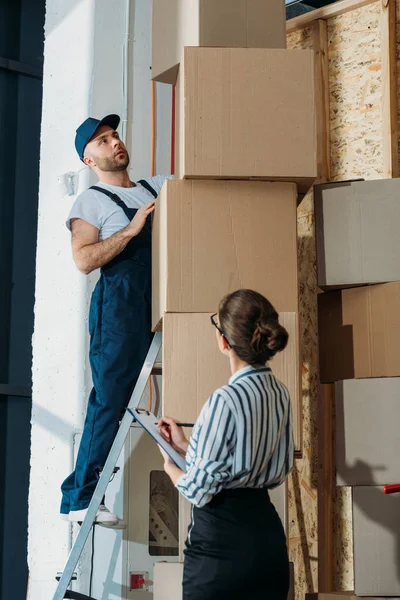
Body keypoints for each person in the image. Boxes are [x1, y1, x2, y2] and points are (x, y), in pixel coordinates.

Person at [60, 113, 170, 526]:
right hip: (118, 307)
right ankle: (80, 497)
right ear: (90, 160)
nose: (114, 143)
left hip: (157, 299)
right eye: (103, 142)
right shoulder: (90, 202)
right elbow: (83, 260)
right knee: (109, 399)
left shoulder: (155, 187)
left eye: (115, 135)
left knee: (126, 400)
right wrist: (130, 229)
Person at [158, 289, 294, 600]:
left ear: (224, 341)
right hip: (266, 539)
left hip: (221, 547)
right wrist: (184, 446)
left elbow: (199, 490)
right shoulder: (280, 393)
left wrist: (170, 468)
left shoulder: (224, 400)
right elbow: (276, 467)